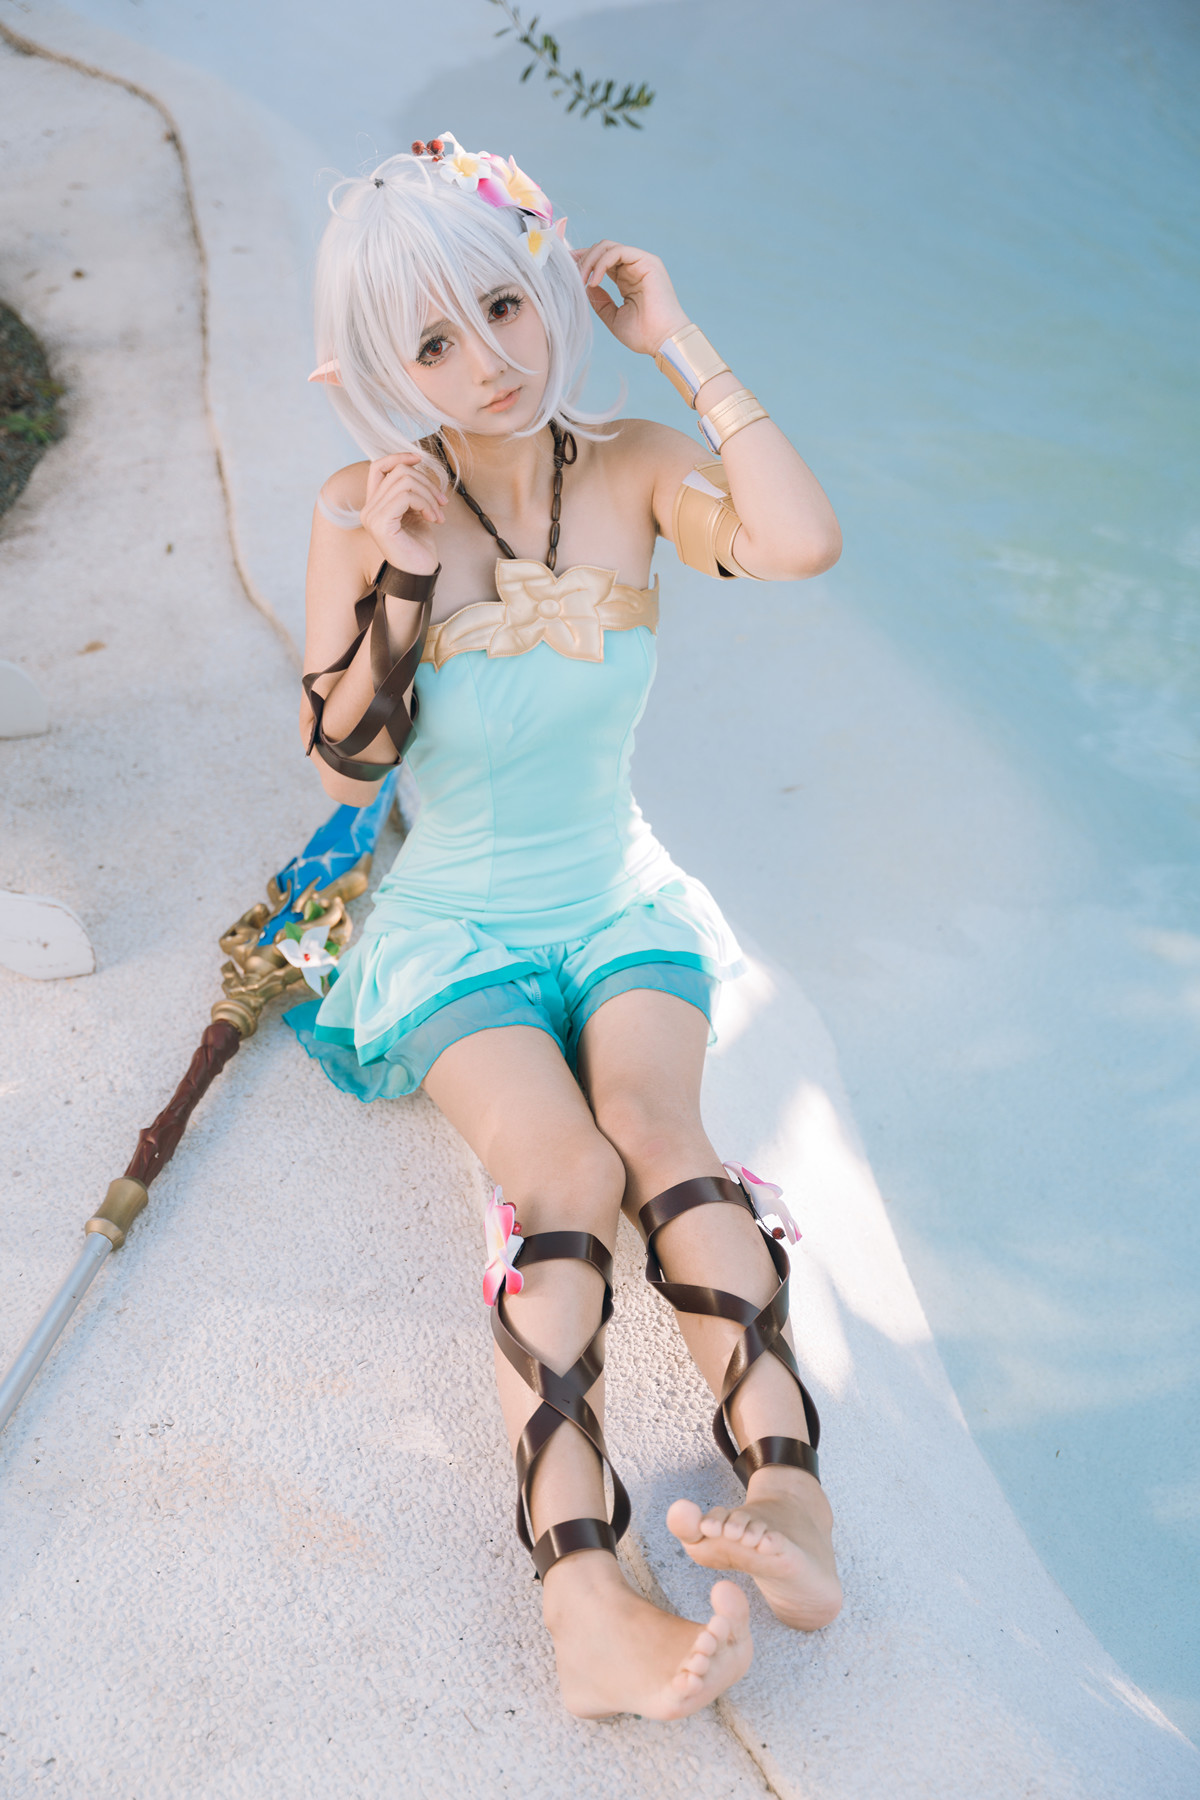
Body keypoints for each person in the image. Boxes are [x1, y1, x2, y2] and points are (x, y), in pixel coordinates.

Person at [292, 134, 843, 1721]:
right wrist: (404, 577)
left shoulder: (634, 466)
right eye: (432, 345)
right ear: (378, 375)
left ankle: (790, 1490)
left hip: (614, 891)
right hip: (455, 924)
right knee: (565, 1176)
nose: (489, 362)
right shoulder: (364, 504)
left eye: (503, 306)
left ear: (548, 282)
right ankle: (584, 1594)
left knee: (662, 1133)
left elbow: (800, 542)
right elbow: (347, 767)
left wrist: (678, 339)